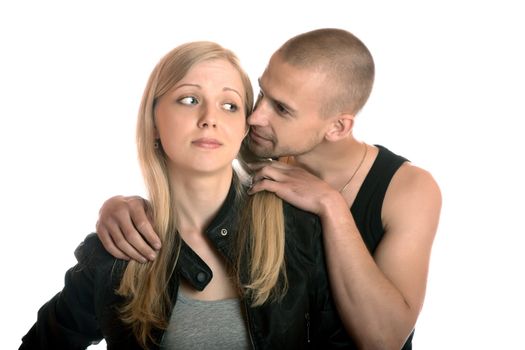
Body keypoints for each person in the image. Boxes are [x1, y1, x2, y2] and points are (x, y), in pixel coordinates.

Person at [96, 29, 442, 349]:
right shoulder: (257, 151)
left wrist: (331, 205)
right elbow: (185, 177)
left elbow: (385, 340)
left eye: (281, 109)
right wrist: (119, 206)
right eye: (262, 93)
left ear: (337, 127)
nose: (255, 116)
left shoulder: (409, 188)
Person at [20, 41, 353, 349]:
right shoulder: (115, 252)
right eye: (190, 100)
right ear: (153, 122)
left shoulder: (299, 232)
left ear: (244, 129)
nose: (209, 119)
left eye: (229, 105)